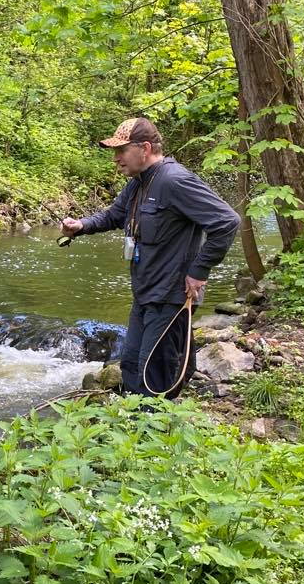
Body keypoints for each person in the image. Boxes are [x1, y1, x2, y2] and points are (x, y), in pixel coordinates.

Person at [61, 117, 240, 398]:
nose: (116, 158)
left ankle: (155, 432)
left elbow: (227, 221)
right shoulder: (137, 183)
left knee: (154, 373)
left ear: (144, 148)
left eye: (121, 150)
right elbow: (114, 215)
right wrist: (81, 226)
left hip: (171, 296)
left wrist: (199, 270)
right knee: (131, 365)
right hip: (145, 294)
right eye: (114, 152)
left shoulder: (175, 180)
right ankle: (136, 433)